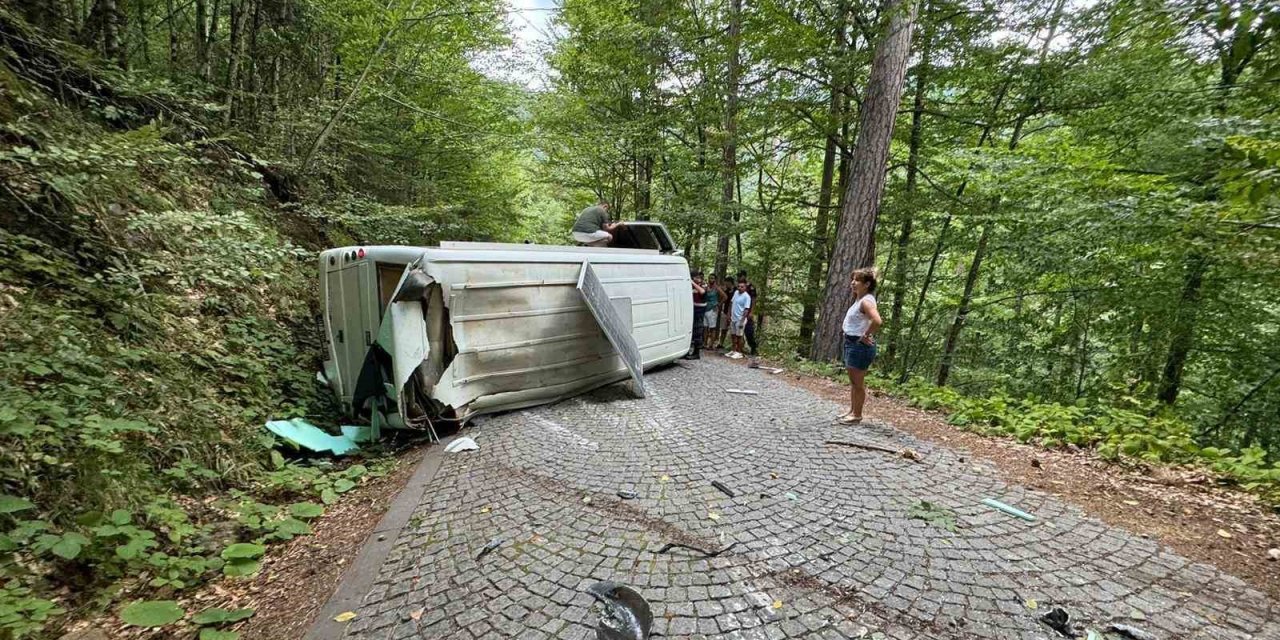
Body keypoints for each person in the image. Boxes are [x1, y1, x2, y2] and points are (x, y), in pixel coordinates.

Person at [838, 268, 883, 425]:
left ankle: (857, 415)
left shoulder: (866, 301)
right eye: (853, 279)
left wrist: (865, 335)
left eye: (857, 280)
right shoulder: (859, 299)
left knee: (858, 384)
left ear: (867, 284)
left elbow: (877, 320)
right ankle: (852, 411)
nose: (853, 283)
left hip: (859, 347)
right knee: (853, 382)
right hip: (852, 344)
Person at [736, 269, 759, 357]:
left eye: (741, 276)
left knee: (749, 331)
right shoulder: (738, 286)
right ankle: (739, 349)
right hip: (738, 312)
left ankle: (753, 348)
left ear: (744, 276)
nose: (739, 277)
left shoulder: (750, 287)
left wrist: (752, 312)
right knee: (738, 331)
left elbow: (753, 300)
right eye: (738, 276)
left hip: (747, 312)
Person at [685, 271, 707, 360]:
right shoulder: (692, 287)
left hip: (700, 311)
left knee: (698, 331)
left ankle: (696, 353)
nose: (697, 279)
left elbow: (702, 292)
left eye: (698, 278)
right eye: (695, 278)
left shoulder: (703, 286)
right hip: (692, 310)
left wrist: (692, 282)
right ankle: (687, 351)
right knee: (691, 331)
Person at [728, 279, 752, 359]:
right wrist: (729, 314)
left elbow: (746, 309)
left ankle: (739, 351)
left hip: (740, 319)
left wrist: (742, 321)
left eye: (742, 287)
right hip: (733, 318)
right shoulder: (736, 293)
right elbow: (731, 303)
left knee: (739, 336)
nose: (740, 288)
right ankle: (733, 350)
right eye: (738, 286)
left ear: (745, 287)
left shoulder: (747, 297)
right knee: (733, 335)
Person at [702, 277, 720, 348]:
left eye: (712, 278)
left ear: (715, 279)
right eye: (709, 278)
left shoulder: (716, 288)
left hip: (712, 310)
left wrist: (718, 304)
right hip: (706, 308)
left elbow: (725, 296)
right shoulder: (707, 288)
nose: (710, 280)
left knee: (712, 328)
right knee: (705, 327)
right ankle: (705, 343)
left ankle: (711, 345)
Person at [717, 276, 734, 350]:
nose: (726, 284)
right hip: (725, 311)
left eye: (726, 283)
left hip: (733, 313)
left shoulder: (736, 291)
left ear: (730, 283)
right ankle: (720, 343)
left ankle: (734, 346)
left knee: (733, 330)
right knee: (723, 329)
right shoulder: (726, 291)